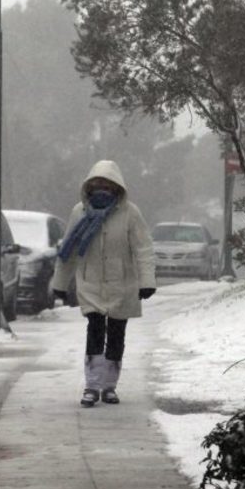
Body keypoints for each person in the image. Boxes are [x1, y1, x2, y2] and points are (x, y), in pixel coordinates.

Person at [52, 160, 157, 407]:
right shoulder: (79, 212)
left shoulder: (130, 213)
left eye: (107, 184)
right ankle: (92, 384)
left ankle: (109, 385)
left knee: (117, 333)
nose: (102, 188)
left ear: (116, 187)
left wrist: (146, 281)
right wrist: (60, 282)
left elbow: (143, 248)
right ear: (89, 185)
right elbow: (69, 248)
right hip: (90, 282)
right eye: (97, 183)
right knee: (95, 329)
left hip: (123, 283)